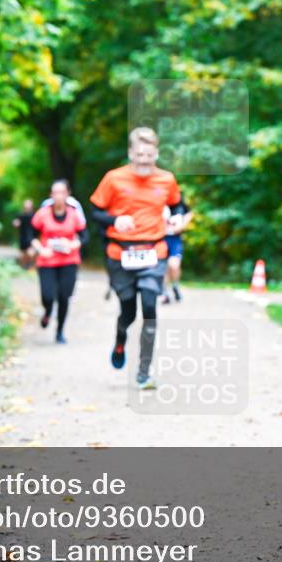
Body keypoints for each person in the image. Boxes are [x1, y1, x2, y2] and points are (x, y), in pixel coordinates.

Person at [90, 127, 185, 390]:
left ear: (157, 154)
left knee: (150, 308)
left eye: (149, 156)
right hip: (120, 253)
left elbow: (176, 204)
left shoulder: (166, 179)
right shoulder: (113, 179)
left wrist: (177, 216)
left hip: (154, 251)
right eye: (140, 155)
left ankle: (144, 371)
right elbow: (95, 211)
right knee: (129, 311)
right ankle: (120, 339)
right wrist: (114, 220)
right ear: (131, 153)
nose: (144, 161)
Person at [31, 180, 88, 344]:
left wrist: (72, 244)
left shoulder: (74, 214)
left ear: (68, 194)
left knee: (64, 297)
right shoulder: (42, 214)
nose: (59, 196)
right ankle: (48, 312)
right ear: (51, 195)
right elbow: (31, 236)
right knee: (47, 296)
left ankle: (60, 332)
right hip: (47, 261)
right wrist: (40, 249)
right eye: (55, 192)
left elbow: (84, 237)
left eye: (62, 192)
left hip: (69, 261)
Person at [161, 195, 193, 304]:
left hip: (174, 239)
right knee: (163, 267)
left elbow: (189, 213)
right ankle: (165, 292)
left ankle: (175, 286)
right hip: (160, 239)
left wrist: (182, 226)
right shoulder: (157, 199)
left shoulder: (178, 200)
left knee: (174, 265)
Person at [13, 199, 36, 269]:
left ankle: (31, 266)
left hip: (32, 235)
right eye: (26, 204)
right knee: (24, 253)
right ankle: (24, 266)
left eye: (29, 204)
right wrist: (16, 223)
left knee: (31, 252)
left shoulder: (35, 215)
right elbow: (16, 223)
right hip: (23, 236)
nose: (27, 206)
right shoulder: (21, 215)